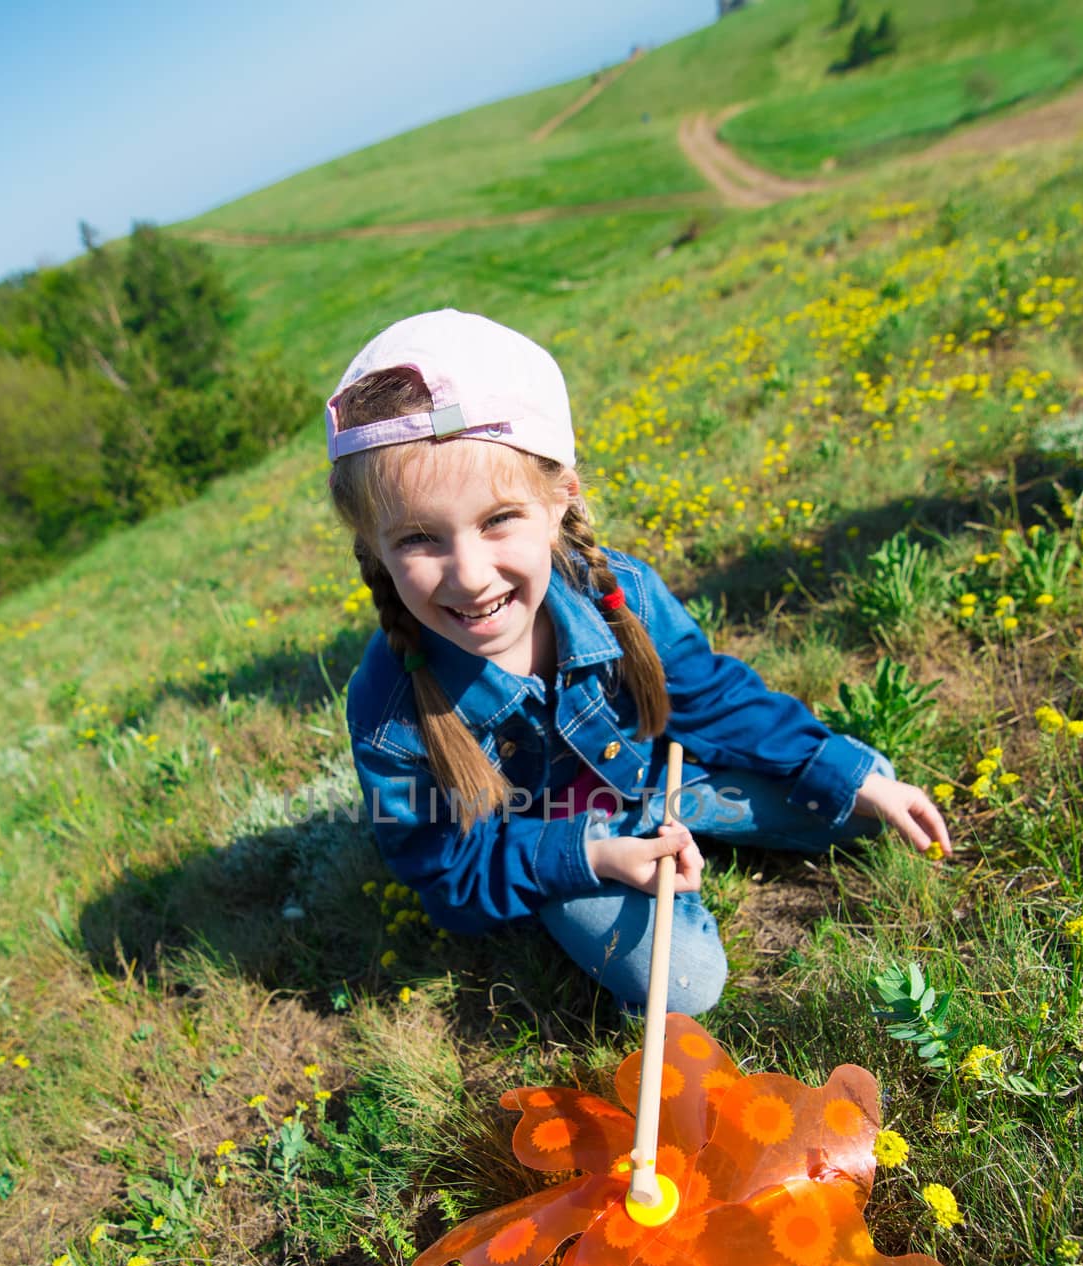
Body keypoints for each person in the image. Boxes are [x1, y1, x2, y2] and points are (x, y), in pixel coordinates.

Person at [327, 309, 952, 1016]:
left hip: (667, 786)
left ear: (560, 500)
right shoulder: (391, 713)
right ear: (372, 545)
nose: (470, 576)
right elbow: (444, 872)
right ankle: (651, 866)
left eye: (499, 520)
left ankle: (697, 824)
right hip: (561, 856)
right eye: (418, 537)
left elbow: (710, 696)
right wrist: (593, 857)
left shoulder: (618, 593)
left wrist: (847, 771)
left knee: (865, 794)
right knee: (685, 984)